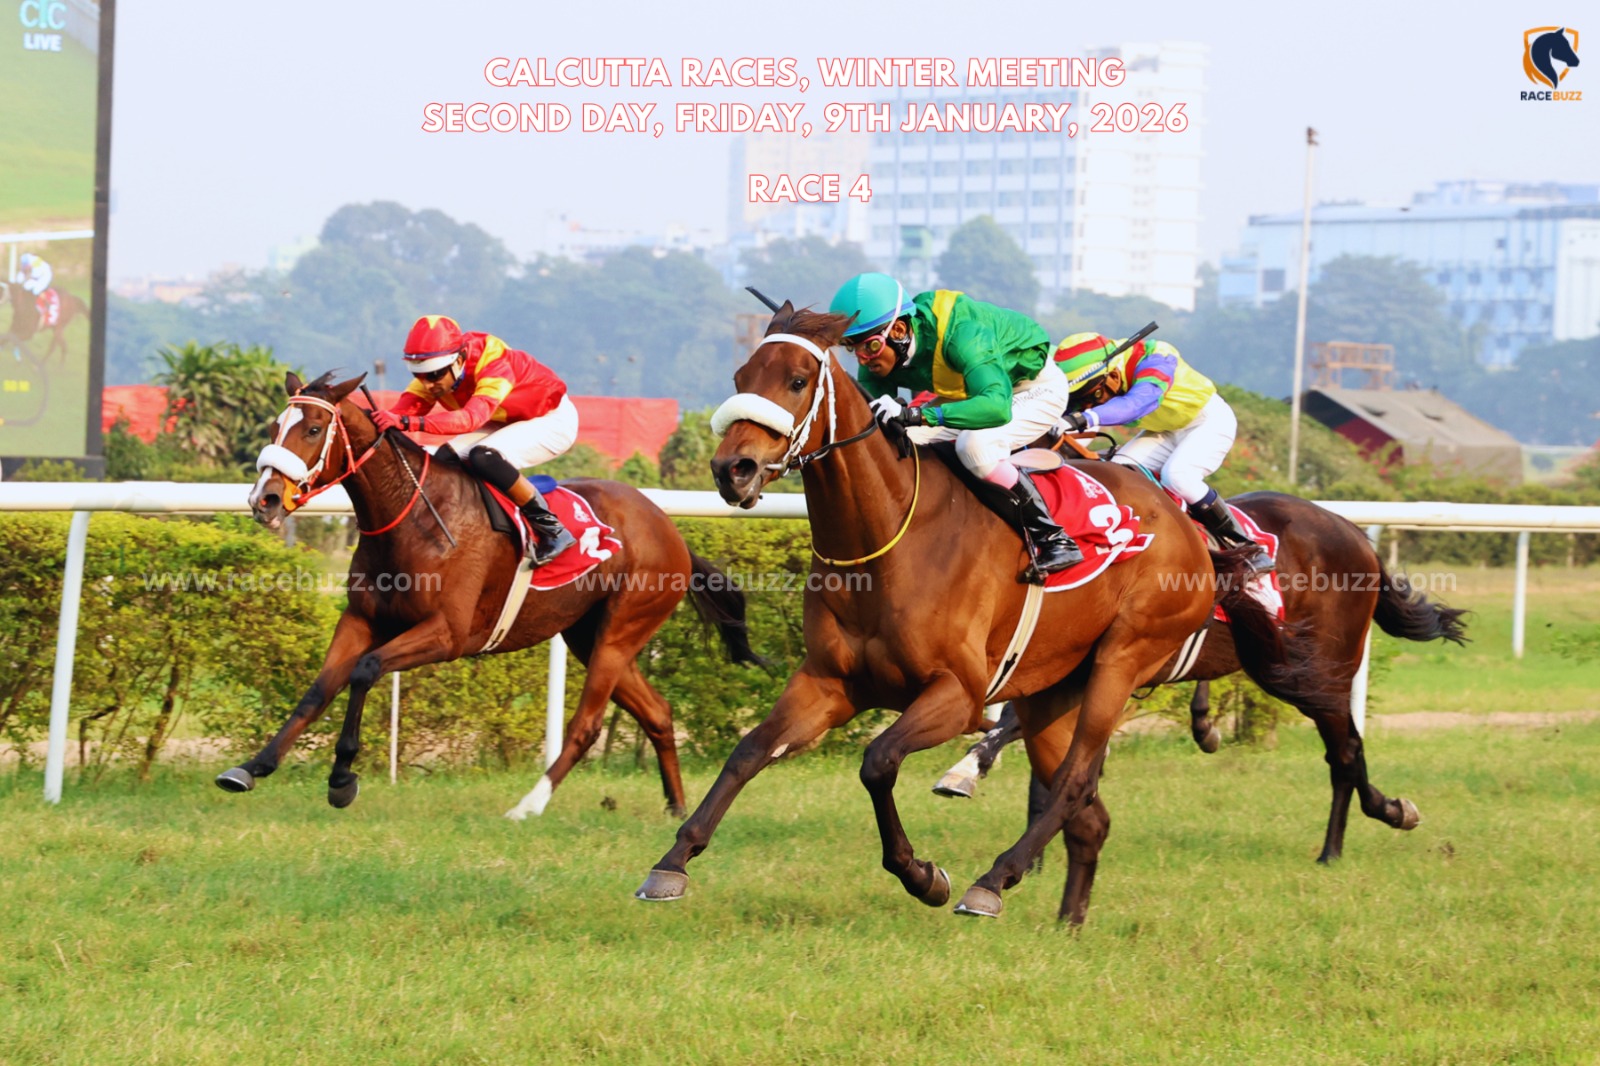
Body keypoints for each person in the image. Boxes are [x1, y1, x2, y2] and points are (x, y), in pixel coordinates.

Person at [829, 272, 1083, 574]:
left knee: (976, 447)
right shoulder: (880, 355)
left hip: (1029, 389)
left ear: (898, 329)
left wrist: (915, 414)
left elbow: (995, 408)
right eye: (851, 348)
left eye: (869, 347)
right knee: (900, 442)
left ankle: (1055, 538)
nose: (862, 359)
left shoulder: (963, 335)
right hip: (968, 390)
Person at [1053, 332, 1274, 573]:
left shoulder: (1157, 356)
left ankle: (1247, 548)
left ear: (1114, 375)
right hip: (1165, 430)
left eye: (1092, 396)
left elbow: (1140, 402)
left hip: (1208, 422)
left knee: (1178, 477)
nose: (1088, 405)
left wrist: (1082, 418)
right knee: (1118, 474)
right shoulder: (1103, 375)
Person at [373, 315, 578, 564]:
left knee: (484, 457)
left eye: (435, 375)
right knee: (444, 459)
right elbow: (402, 412)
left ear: (458, 360)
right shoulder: (438, 371)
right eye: (420, 376)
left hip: (551, 419)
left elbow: (470, 419)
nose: (428, 385)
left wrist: (409, 423)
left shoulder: (493, 362)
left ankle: (553, 529)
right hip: (504, 418)